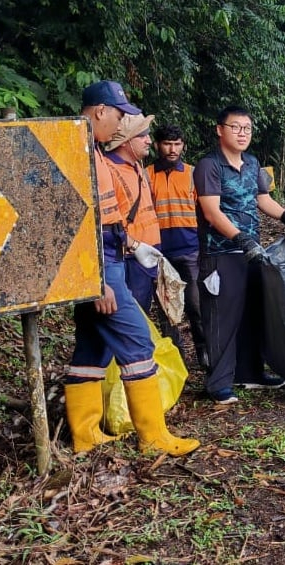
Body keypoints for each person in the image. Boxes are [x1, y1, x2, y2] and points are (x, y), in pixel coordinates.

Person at [66, 80, 198, 456]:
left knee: (91, 348)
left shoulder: (88, 150)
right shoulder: (82, 153)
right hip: (103, 267)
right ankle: (154, 438)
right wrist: (101, 280)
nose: (122, 122)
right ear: (100, 111)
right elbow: (83, 225)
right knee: (139, 342)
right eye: (119, 114)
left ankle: (84, 436)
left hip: (107, 260)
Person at [193, 105, 285, 404]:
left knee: (253, 313)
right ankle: (218, 383)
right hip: (222, 253)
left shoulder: (252, 163)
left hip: (251, 252)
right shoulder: (209, 166)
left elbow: (263, 199)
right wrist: (241, 237)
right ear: (220, 129)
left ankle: (250, 372)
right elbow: (211, 211)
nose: (242, 133)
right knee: (223, 318)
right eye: (236, 127)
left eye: (247, 128)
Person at [148, 123, 207, 368]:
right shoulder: (146, 174)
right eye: (167, 144)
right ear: (157, 145)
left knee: (196, 306)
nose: (172, 149)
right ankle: (176, 360)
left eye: (177, 144)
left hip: (190, 249)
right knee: (167, 311)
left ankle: (206, 355)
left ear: (183, 145)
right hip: (160, 253)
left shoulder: (193, 174)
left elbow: (204, 213)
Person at [103, 113, 162, 314]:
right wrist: (133, 245)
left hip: (145, 256)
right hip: (128, 258)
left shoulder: (136, 166)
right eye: (142, 135)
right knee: (130, 317)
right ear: (126, 141)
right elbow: (108, 220)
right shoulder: (109, 169)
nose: (149, 140)